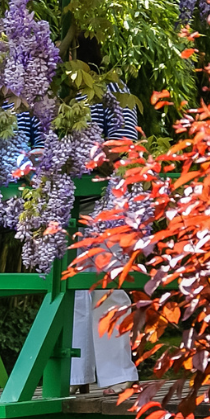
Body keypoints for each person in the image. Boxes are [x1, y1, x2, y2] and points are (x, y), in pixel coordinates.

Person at [69, 86, 140, 394]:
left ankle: (117, 374)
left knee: (108, 285)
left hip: (106, 201)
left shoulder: (113, 88)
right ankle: (75, 375)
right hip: (66, 203)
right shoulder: (51, 86)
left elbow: (124, 145)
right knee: (72, 292)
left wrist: (80, 156)